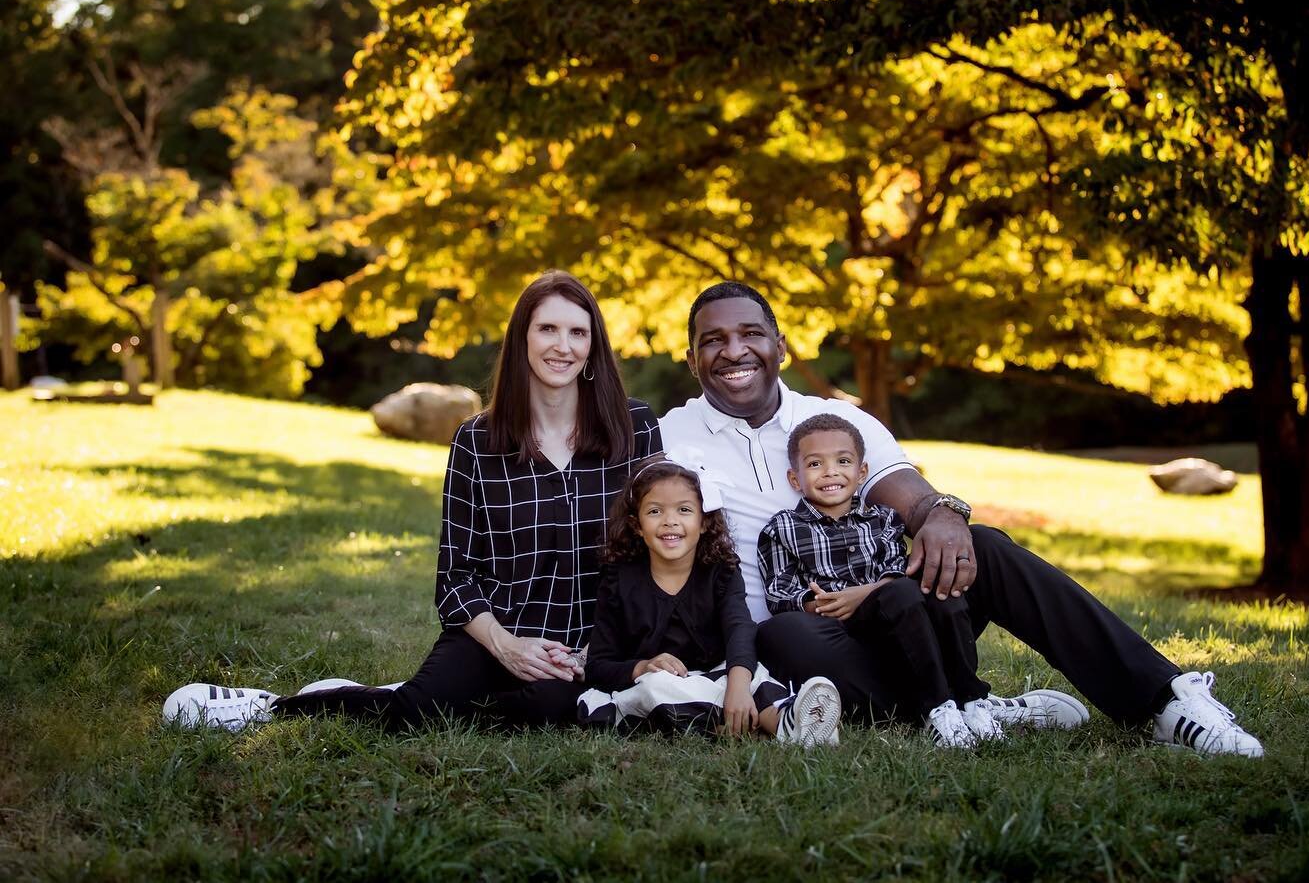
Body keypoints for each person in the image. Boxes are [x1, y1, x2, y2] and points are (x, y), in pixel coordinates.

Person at [658, 281, 1263, 757]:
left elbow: (904, 490)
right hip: (802, 641)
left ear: (780, 345)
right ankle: (969, 704)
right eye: (713, 340)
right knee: (785, 633)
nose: (733, 351)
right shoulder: (672, 435)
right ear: (691, 360)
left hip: (904, 616)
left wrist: (941, 514)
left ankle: (1166, 701)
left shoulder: (839, 420)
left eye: (750, 334)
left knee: (986, 545)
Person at [163, 271, 663, 732]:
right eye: (547, 329)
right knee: (416, 713)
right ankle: (278, 705)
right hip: (497, 629)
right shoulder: (477, 441)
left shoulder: (635, 428)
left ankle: (488, 692)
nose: (563, 346)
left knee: (552, 709)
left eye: (578, 333)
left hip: (592, 646)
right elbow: (454, 578)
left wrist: (598, 650)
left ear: (594, 345)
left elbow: (655, 554)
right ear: (522, 340)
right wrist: (506, 647)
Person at [759, 413, 1087, 749]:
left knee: (928, 587)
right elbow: (779, 592)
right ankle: (940, 706)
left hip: (896, 621)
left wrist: (864, 594)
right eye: (815, 464)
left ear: (861, 473)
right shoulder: (781, 529)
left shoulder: (884, 519)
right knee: (796, 626)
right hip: (840, 636)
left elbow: (896, 570)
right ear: (795, 479)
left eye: (842, 461)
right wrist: (817, 603)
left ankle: (972, 702)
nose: (830, 472)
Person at [577, 458, 842, 747]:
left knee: (750, 675)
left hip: (715, 674)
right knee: (659, 687)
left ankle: (788, 722)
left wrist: (739, 688)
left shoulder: (722, 571)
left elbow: (740, 629)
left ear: (704, 522)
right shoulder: (619, 580)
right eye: (655, 511)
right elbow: (598, 666)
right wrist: (642, 666)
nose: (670, 520)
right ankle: (777, 725)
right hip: (652, 686)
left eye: (684, 510)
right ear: (636, 524)